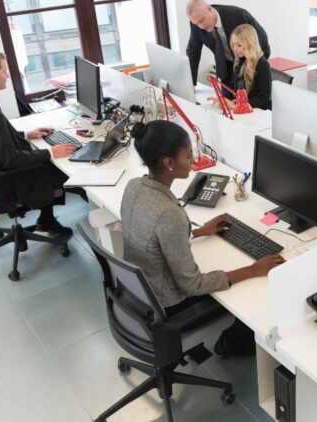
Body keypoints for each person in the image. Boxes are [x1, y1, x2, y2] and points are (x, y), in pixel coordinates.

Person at [121, 120, 285, 355]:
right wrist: (253, 269)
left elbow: (154, 237)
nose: (194, 160)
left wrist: (200, 231)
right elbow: (193, 285)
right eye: (188, 155)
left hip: (141, 295)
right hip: (170, 307)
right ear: (168, 163)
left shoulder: (134, 186)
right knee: (250, 298)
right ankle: (228, 346)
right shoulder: (169, 214)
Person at [0, 48, 75, 236]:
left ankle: (47, 219)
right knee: (64, 170)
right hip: (12, 178)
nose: (8, 76)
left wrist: (26, 134)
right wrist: (52, 153)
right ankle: (55, 221)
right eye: (4, 71)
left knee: (47, 160)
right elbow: (10, 160)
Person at [185, 0, 270, 89]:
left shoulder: (239, 15)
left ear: (210, 9)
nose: (201, 26)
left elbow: (262, 42)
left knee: (247, 99)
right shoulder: (196, 24)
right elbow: (193, 52)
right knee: (225, 100)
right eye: (196, 23)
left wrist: (256, 69)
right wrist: (190, 85)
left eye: (202, 20)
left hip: (247, 64)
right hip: (226, 67)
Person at [208, 23, 272, 110]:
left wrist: (236, 104)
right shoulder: (240, 61)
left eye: (239, 45)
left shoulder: (262, 65)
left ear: (250, 44)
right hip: (243, 110)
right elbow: (233, 89)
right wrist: (224, 100)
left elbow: (263, 100)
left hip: (257, 113)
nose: (234, 48)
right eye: (233, 45)